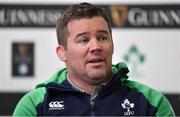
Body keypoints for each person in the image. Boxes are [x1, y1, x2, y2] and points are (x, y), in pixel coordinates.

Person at [13, 2, 175, 116]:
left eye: (103, 38)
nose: (96, 46)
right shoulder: (34, 106)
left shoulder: (151, 103)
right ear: (62, 53)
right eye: (84, 40)